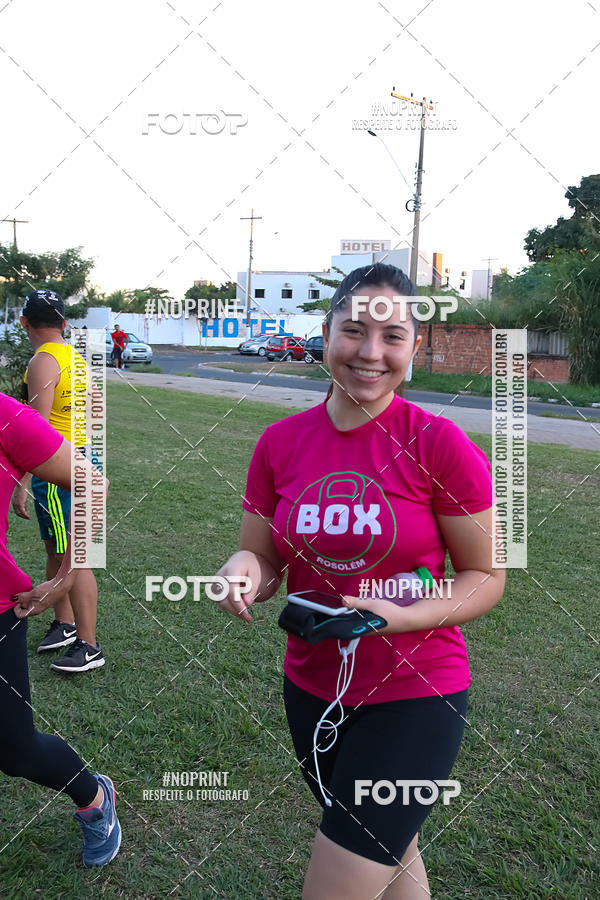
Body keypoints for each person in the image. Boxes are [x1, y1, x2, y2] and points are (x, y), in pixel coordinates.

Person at [216, 263, 505, 899]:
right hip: (312, 689)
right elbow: (263, 564)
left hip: (415, 692)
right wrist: (244, 572)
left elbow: (486, 577)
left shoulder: (440, 444)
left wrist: (400, 614)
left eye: (392, 336)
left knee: (341, 877)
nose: (370, 353)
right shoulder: (280, 443)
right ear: (325, 334)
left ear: (414, 346)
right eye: (353, 331)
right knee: (393, 856)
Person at [0, 390, 121, 867]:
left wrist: (66, 576)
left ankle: (94, 800)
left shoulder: (7, 416)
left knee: (14, 750)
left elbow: (93, 485)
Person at [12, 289, 105, 673]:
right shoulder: (75, 357)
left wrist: (23, 480)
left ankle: (88, 644)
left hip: (56, 466)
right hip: (79, 456)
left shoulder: (43, 361)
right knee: (58, 548)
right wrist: (87, 452)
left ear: (24, 323)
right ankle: (65, 624)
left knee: (76, 558)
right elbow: (96, 410)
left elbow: (35, 429)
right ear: (65, 323)